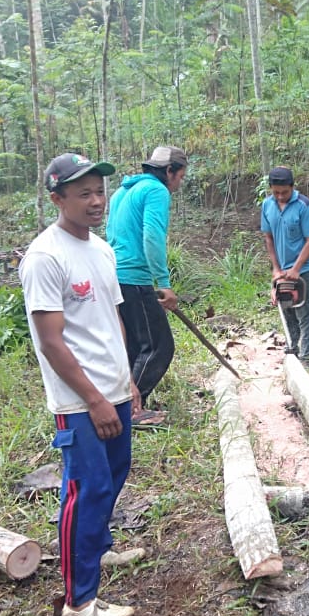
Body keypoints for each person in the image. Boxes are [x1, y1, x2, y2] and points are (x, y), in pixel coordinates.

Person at [19, 153, 143, 616]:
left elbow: (111, 320)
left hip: (111, 388)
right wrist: (93, 399)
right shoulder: (46, 257)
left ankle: (97, 548)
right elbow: (51, 341)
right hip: (78, 400)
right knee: (85, 488)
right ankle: (79, 601)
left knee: (114, 475)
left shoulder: (103, 249)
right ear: (57, 199)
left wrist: (126, 379)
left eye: (99, 191)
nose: (96, 201)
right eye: (83, 194)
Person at [106, 145, 186, 427]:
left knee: (134, 345)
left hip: (115, 274)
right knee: (159, 346)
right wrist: (163, 283)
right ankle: (132, 411)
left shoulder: (121, 191)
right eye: (180, 176)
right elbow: (152, 236)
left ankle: (123, 403)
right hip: (134, 277)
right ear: (169, 171)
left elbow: (111, 233)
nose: (179, 183)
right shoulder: (156, 191)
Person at [260, 166, 309, 365]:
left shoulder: (305, 206)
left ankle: (306, 358)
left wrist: (296, 269)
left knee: (305, 313)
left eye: (284, 192)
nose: (280, 196)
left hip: (305, 269)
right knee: (287, 310)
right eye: (275, 192)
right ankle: (292, 349)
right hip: (282, 270)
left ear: (292, 187)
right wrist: (276, 270)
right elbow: (268, 238)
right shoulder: (267, 205)